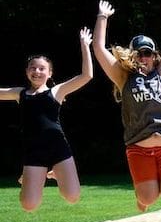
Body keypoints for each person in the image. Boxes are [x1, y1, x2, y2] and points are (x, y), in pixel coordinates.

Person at [92, 0, 161, 218]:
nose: (144, 57)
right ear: (133, 56)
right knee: (147, 198)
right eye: (139, 54)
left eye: (148, 53)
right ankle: (143, 198)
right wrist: (102, 16)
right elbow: (98, 48)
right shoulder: (124, 78)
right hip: (139, 148)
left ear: (155, 56)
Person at [1, 28, 93, 211]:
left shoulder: (56, 91)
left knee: (72, 197)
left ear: (50, 73)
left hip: (58, 147)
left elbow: (86, 76)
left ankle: (54, 173)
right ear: (27, 71)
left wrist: (85, 45)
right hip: (34, 151)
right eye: (33, 68)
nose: (37, 71)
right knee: (29, 205)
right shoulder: (20, 94)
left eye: (42, 68)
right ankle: (29, 177)